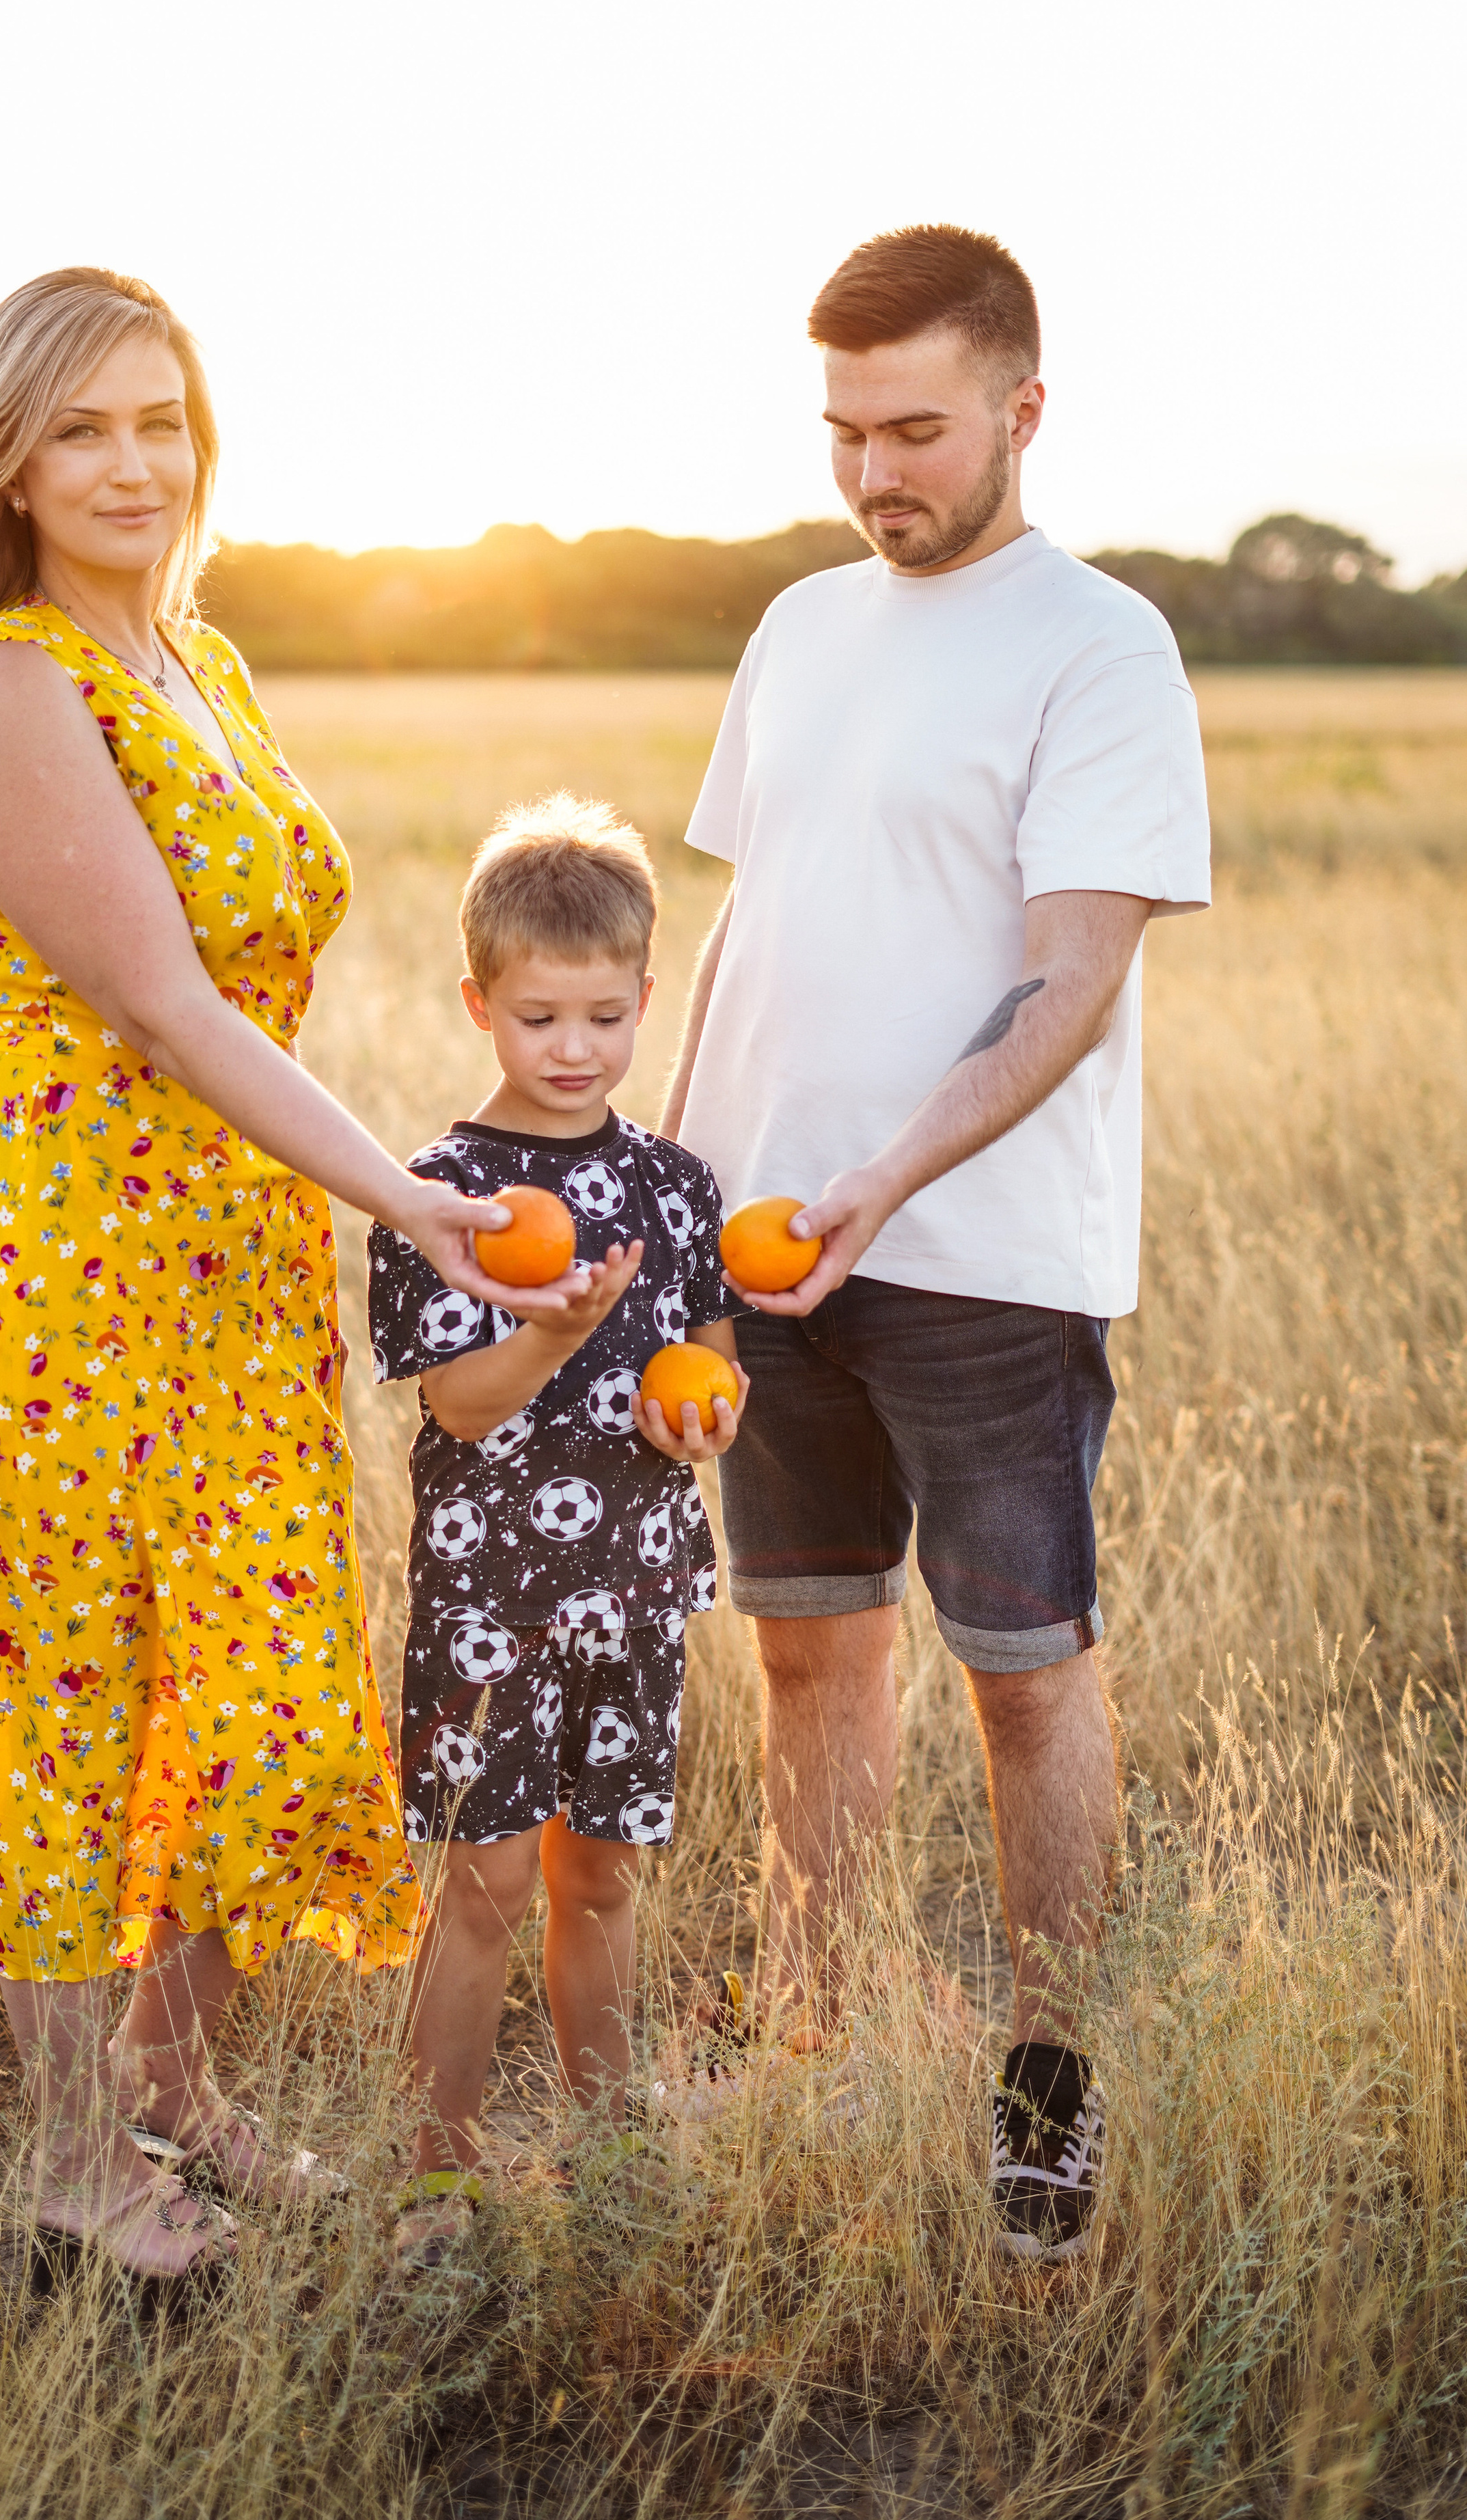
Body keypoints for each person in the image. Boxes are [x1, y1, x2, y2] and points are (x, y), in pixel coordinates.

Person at [0, 267, 573, 2283]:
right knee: (70, 1703)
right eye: (84, 429)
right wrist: (409, 1200)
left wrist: (349, 1191)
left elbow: (248, 992)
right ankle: (80, 2158)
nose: (134, 463)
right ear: (8, 455)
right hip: (60, 1272)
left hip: (228, 1258)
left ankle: (188, 2094)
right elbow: (166, 1009)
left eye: (161, 420)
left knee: (235, 1694)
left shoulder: (199, 663)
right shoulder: (5, 686)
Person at [662, 225, 1211, 2262]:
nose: (875, 472)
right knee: (809, 1655)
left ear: (1021, 412)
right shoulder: (801, 626)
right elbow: (757, 917)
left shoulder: (1103, 647)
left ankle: (1049, 2091)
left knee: (1025, 1678)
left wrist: (892, 1173)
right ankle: (812, 2039)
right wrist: (675, 1175)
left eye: (915, 429)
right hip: (766, 1254)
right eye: (844, 431)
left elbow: (1072, 978)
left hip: (985, 1259)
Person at [366, 796, 745, 2256]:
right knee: (481, 1882)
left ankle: (609, 2149)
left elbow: (711, 1376)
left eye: (602, 1013)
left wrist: (693, 1421)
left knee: (602, 1876)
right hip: (488, 1594)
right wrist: (561, 1321)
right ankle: (437, 2168)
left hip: (634, 1593)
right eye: (538, 1016)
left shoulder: (675, 1184)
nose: (572, 1046)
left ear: (646, 999)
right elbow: (461, 1404)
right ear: (480, 1004)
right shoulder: (439, 1191)